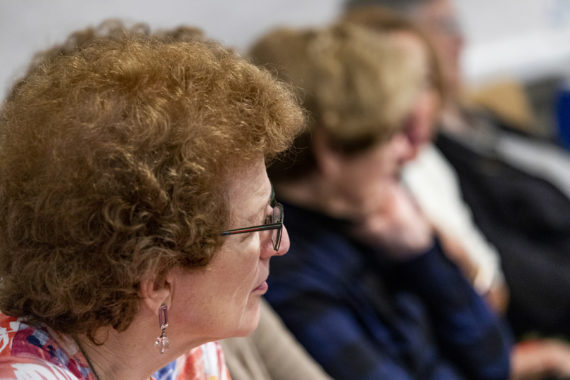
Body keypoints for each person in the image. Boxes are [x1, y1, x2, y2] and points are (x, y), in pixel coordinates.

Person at [0, 24, 304, 379]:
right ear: (158, 278)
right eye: (256, 227)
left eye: (272, 214)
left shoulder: (188, 350)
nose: (281, 244)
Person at [249, 20, 512, 380]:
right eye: (389, 134)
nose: (405, 151)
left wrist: (423, 255)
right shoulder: (288, 274)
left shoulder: (378, 221)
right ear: (330, 150)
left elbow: (496, 359)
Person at [344, 0, 570, 341]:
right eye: (444, 26)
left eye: (426, 83)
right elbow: (500, 295)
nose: (461, 40)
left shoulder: (469, 122)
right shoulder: (416, 159)